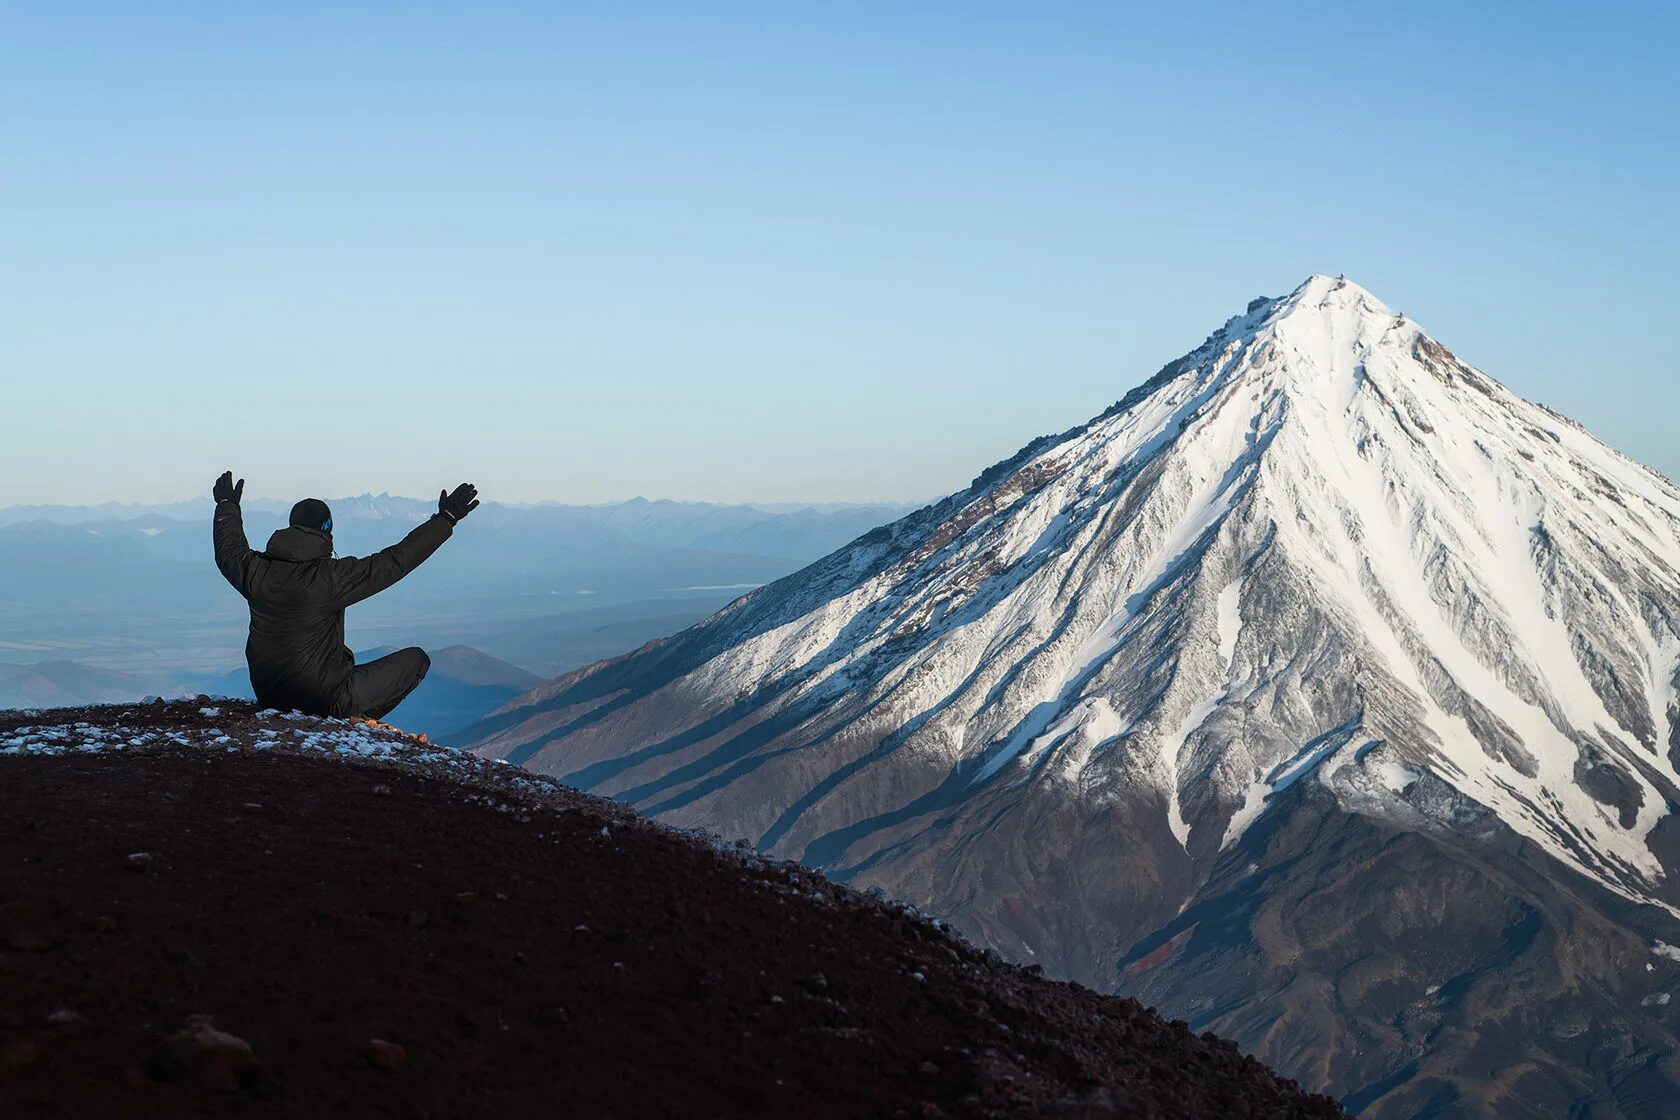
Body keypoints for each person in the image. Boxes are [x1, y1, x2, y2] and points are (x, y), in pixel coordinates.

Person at [211, 471, 479, 720]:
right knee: (416, 660)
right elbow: (395, 561)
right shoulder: (330, 578)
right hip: (322, 699)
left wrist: (226, 505)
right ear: (326, 530)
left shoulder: (257, 570)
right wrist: (446, 519)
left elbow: (229, 551)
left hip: (269, 695)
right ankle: (353, 721)